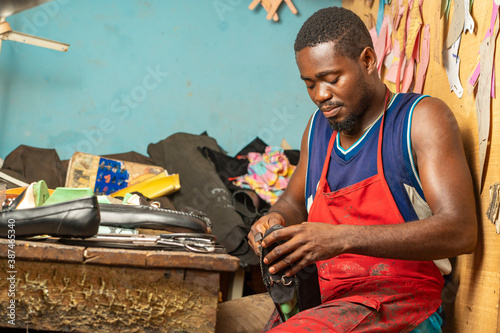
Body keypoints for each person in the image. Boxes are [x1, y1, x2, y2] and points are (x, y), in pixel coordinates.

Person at [247, 6, 477, 332]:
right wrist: (275, 220)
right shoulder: (318, 129)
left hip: (403, 301)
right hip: (331, 300)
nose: (320, 95)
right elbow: (293, 203)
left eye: (331, 79)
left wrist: (342, 238)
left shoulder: (421, 120)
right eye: (309, 84)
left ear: (368, 61)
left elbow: (461, 231)